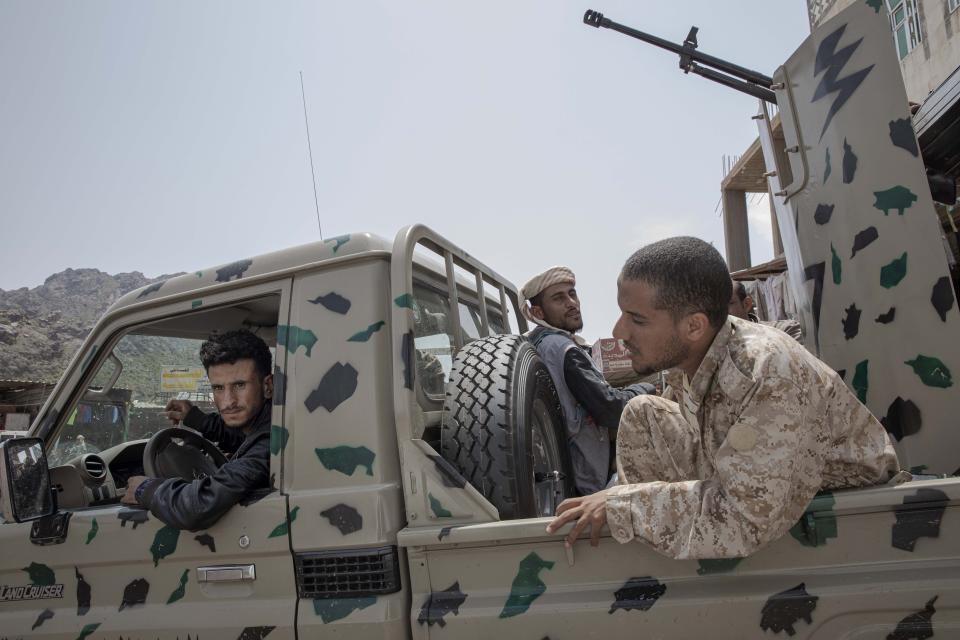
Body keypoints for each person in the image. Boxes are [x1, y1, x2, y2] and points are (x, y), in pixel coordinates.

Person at [546, 237, 899, 559]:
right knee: (643, 412)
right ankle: (659, 566)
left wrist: (622, 504)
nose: (618, 331)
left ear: (694, 326)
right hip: (766, 495)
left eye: (636, 319)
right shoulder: (694, 358)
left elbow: (744, 519)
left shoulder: (767, 370)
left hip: (852, 519)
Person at [121, 329, 274, 531]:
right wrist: (193, 417)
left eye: (239, 385)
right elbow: (239, 435)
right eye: (218, 388)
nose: (228, 401)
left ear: (268, 386)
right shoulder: (269, 423)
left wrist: (145, 489)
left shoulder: (270, 442)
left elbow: (198, 507)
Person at [521, 266, 653, 496]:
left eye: (572, 293)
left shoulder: (536, 344)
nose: (571, 303)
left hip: (558, 474)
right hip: (584, 477)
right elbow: (610, 408)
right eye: (559, 298)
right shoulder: (562, 348)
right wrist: (645, 389)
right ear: (539, 313)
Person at [729, 279, 802, 341]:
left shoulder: (784, 330)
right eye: (717, 306)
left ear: (746, 304)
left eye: (728, 304)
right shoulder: (721, 344)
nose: (721, 312)